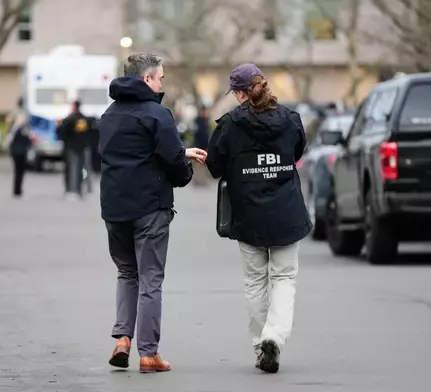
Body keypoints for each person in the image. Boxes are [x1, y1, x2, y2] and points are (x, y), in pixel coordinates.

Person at [98, 52, 207, 373]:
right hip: (149, 208)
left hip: (114, 208)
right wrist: (184, 167)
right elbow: (172, 161)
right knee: (151, 279)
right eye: (160, 77)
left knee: (126, 273)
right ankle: (148, 353)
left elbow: (129, 152)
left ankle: (122, 339)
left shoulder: (109, 115)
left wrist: (177, 152)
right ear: (146, 79)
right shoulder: (158, 114)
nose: (162, 83)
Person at [205, 63, 311, 373]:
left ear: (239, 94)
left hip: (248, 214)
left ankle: (260, 344)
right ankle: (274, 337)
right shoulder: (290, 120)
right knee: (284, 278)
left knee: (255, 281)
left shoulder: (229, 125)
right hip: (286, 213)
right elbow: (297, 152)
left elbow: (214, 167)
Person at [56, 100, 91, 200]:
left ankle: (71, 190)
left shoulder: (69, 119)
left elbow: (61, 132)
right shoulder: (84, 119)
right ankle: (79, 190)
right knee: (80, 169)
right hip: (82, 147)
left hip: (71, 148)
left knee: (72, 170)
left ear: (74, 107)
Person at [4, 111, 32, 197]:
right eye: (20, 118)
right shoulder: (15, 128)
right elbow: (10, 139)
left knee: (21, 172)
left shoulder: (24, 128)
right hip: (17, 152)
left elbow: (29, 140)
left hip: (22, 152)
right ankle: (17, 189)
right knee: (18, 171)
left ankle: (18, 189)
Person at [192, 105, 212, 186]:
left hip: (204, 145)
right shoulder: (200, 121)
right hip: (200, 145)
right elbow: (200, 135)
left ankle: (201, 180)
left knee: (202, 163)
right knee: (199, 163)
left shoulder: (204, 121)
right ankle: (198, 180)